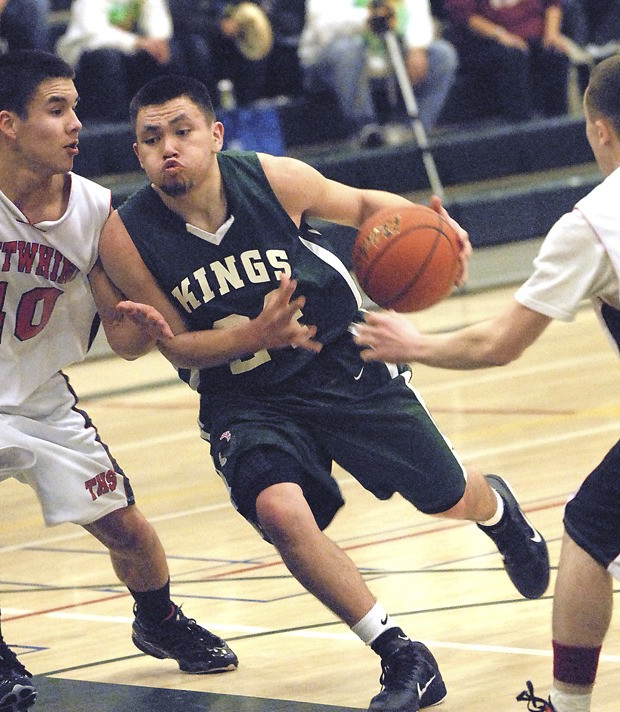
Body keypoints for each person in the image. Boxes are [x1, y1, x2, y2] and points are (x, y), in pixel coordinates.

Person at [96, 73, 549, 712]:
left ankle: (497, 510)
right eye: (151, 139)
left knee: (449, 497)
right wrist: (258, 333)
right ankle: (401, 655)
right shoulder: (127, 231)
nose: (169, 147)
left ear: (215, 135)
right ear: (138, 154)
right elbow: (174, 344)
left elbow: (366, 207)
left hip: (343, 364)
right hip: (245, 398)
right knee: (282, 514)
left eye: (182, 131)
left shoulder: (271, 179)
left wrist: (433, 228)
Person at [354, 53, 620, 712]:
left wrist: (416, 344)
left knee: (590, 529)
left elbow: (498, 343)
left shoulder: (594, 223)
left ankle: (568, 702)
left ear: (601, 131)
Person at [0, 50, 238, 712]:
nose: (76, 123)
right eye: (57, 109)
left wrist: (140, 322)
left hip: (41, 400)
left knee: (128, 530)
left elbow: (128, 344)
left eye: (75, 107)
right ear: (9, 124)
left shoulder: (97, 212)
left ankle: (157, 620)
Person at [299, 0, 458, 147]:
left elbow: (420, 16)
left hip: (391, 59)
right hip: (332, 63)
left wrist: (417, 47)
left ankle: (410, 130)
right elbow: (322, 28)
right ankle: (365, 129)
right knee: (348, 50)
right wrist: (368, 18)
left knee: (442, 54)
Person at [56, 0, 186, 122]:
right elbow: (93, 32)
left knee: (171, 51)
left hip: (127, 51)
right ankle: (114, 123)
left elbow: (156, 14)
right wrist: (137, 42)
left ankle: (165, 113)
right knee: (107, 58)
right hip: (85, 53)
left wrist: (157, 41)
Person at [443, 0, 572, 122]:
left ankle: (559, 126)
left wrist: (552, 34)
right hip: (488, 41)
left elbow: (553, 4)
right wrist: (502, 36)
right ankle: (523, 131)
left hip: (536, 36)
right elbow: (464, 15)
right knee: (513, 57)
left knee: (556, 54)